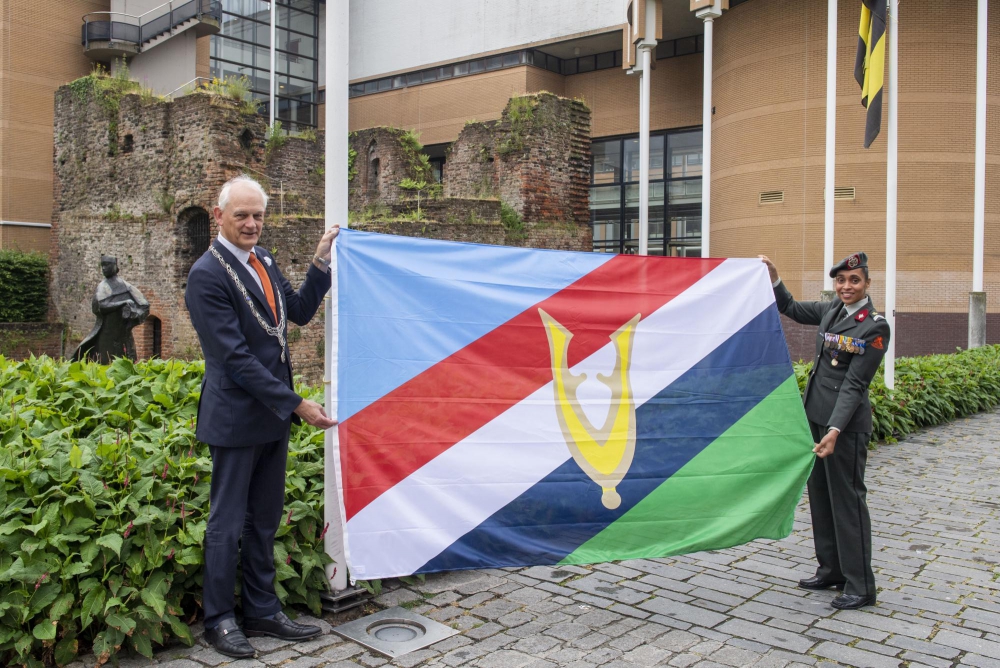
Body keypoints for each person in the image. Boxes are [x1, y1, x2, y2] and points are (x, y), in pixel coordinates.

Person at [185, 175, 339, 658]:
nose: (252, 224)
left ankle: (262, 610)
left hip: (271, 414)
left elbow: (297, 312)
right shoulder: (206, 275)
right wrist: (296, 403)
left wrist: (319, 262)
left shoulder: (265, 259)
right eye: (242, 216)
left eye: (258, 216)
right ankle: (219, 620)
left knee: (265, 520)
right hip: (236, 417)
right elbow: (234, 358)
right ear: (219, 217)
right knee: (226, 523)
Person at [759, 251, 890, 610]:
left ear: (867, 283)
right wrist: (774, 276)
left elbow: (854, 384)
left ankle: (861, 585)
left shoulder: (874, 326)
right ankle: (831, 569)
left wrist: (834, 429)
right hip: (815, 417)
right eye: (841, 281)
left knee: (847, 502)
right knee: (821, 496)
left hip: (843, 427)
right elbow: (790, 307)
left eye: (854, 281)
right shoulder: (831, 310)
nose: (846, 286)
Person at [73, 255, 150, 363]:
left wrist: (132, 314)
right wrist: (122, 303)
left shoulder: (126, 286)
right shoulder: (102, 287)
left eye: (107, 265)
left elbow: (144, 306)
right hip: (106, 335)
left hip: (123, 335)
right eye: (102, 265)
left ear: (115, 266)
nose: (104, 268)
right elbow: (99, 306)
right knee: (105, 363)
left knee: (127, 364)